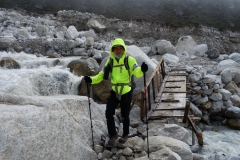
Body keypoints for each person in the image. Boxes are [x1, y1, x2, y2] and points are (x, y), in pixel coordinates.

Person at [84, 38, 148, 145]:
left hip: (126, 91)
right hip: (114, 90)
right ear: (112, 50)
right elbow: (101, 75)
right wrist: (91, 80)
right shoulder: (110, 61)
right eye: (116, 49)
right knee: (109, 113)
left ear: (123, 49)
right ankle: (113, 135)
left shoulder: (130, 60)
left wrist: (142, 69)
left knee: (125, 114)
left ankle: (125, 134)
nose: (118, 51)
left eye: (120, 49)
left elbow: (137, 72)